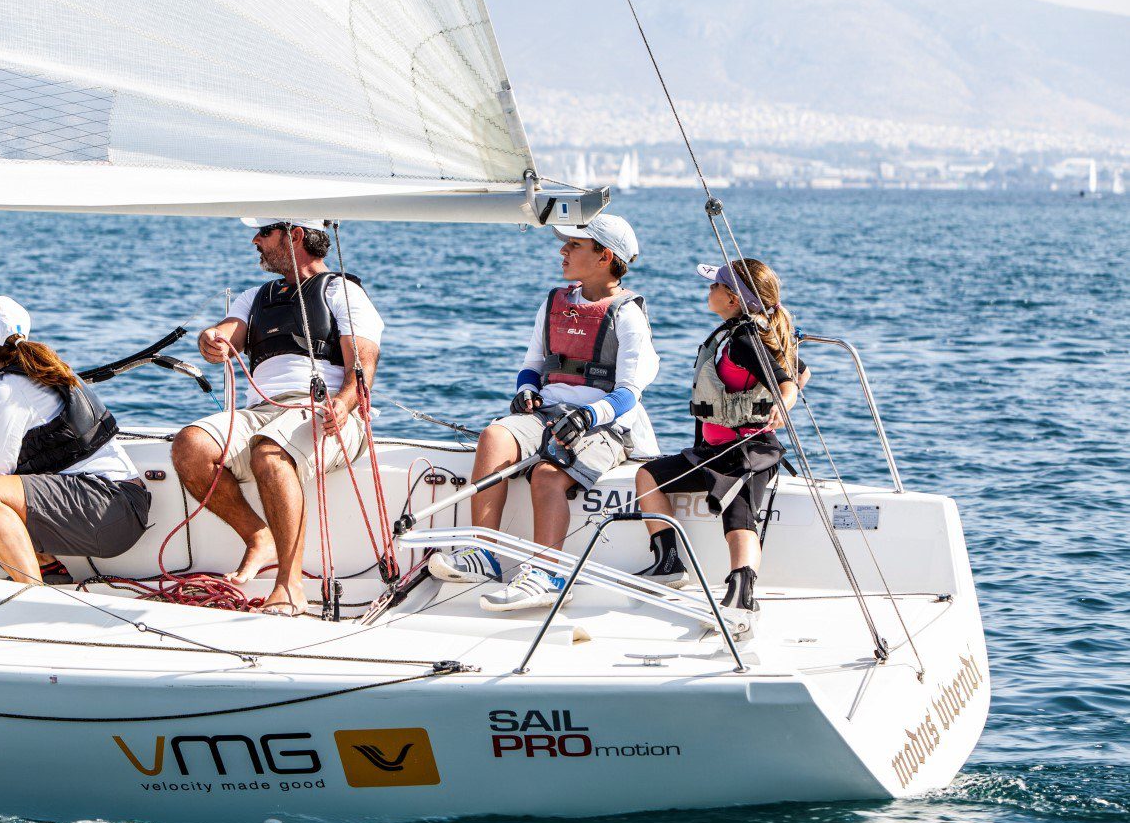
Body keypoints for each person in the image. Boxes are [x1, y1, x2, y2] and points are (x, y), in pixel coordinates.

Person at [428, 214, 660, 612]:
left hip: (603, 423)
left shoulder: (627, 315)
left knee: (548, 473)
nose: (563, 250)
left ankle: (548, 574)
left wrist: (586, 417)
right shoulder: (553, 302)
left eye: (574, 245)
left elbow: (628, 395)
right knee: (494, 436)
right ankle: (484, 553)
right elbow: (530, 365)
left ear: (605, 257)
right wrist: (526, 391)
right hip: (547, 412)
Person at [172, 218, 384, 616]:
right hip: (263, 412)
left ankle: (290, 587)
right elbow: (228, 334)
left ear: (295, 235)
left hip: (328, 412)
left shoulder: (343, 291)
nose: (255, 240)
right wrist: (212, 339)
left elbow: (363, 365)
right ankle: (258, 536)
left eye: (263, 233)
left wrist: (343, 402)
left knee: (269, 453)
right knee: (190, 445)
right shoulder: (257, 296)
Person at [0, 296, 150, 585]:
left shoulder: (7, 389)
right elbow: (10, 453)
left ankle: (33, 594)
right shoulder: (40, 373)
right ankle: (50, 572)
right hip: (116, 509)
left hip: (109, 509)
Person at [632, 258, 803, 636]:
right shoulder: (737, 334)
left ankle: (741, 595)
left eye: (714, 287)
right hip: (714, 451)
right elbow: (801, 369)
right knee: (649, 477)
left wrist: (782, 402)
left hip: (748, 450)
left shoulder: (745, 340)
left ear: (732, 298)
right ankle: (668, 562)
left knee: (738, 515)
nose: (707, 291)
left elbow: (788, 379)